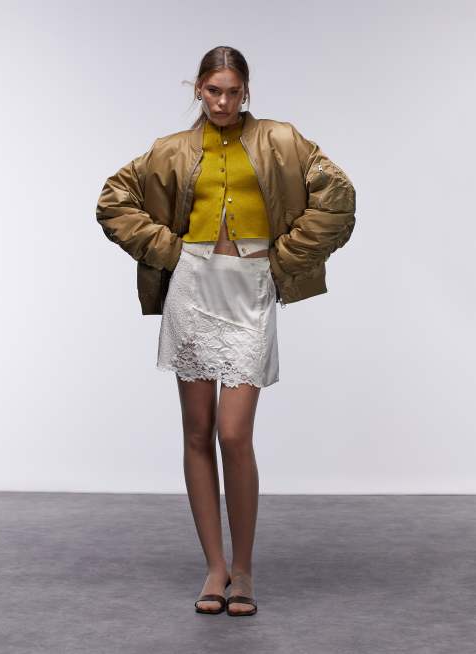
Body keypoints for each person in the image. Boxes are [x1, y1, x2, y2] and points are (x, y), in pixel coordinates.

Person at [96, 45, 356, 617]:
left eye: (233, 92)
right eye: (213, 90)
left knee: (234, 434)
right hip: (192, 290)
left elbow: (337, 197)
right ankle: (215, 568)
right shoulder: (171, 149)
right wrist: (169, 250)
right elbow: (113, 200)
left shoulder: (281, 139)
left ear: (246, 91)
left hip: (249, 291)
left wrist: (285, 258)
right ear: (198, 89)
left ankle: (245, 569)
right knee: (198, 431)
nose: (222, 102)